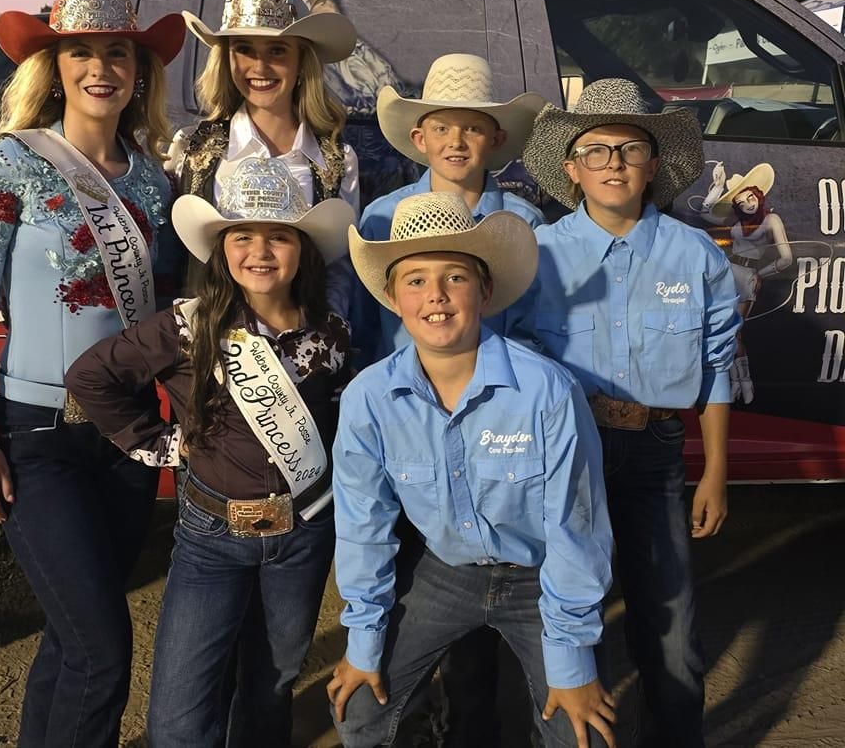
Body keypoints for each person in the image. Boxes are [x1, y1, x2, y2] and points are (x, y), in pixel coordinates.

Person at [0, 0, 185, 748]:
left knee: (69, 635)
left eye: (118, 52)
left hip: (124, 438)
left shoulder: (153, 182)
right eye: (81, 51)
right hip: (36, 435)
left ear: (137, 69)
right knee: (103, 650)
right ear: (54, 66)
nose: (101, 67)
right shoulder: (6, 163)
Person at [65, 156, 356, 748]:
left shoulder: (331, 331)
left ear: (302, 248)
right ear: (220, 249)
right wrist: (158, 444)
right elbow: (92, 377)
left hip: (302, 536)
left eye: (278, 236)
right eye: (241, 236)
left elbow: (342, 419)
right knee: (178, 712)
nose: (260, 250)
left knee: (270, 686)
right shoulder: (186, 326)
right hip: (211, 539)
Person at [327, 191, 615, 748]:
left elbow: (576, 528)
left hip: (540, 576)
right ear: (392, 297)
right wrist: (362, 642)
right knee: (360, 711)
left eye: (454, 277)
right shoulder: (368, 398)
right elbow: (363, 525)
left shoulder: (547, 391)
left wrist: (574, 657)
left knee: (580, 730)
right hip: (445, 571)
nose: (435, 296)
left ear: (484, 291)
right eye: (415, 280)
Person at [522, 79, 742, 747]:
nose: (613, 162)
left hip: (654, 454)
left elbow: (716, 366)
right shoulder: (539, 257)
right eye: (596, 150)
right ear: (571, 167)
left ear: (654, 165)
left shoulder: (696, 256)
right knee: (570, 628)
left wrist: (715, 472)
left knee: (670, 631)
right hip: (566, 460)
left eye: (629, 148)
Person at [168, 0, 360, 312]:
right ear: (226, 58)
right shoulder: (191, 149)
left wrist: (326, 332)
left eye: (277, 51)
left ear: (302, 61)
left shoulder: (337, 158)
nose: (259, 67)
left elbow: (339, 266)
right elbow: (174, 261)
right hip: (207, 349)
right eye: (244, 49)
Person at [352, 52, 545, 367]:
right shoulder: (382, 218)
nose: (456, 142)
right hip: (403, 397)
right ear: (420, 139)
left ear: (496, 139)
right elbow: (365, 324)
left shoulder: (524, 223)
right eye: (441, 128)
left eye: (473, 129)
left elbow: (531, 325)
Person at [700, 162, 792, 404]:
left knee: (736, 330)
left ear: (757, 194)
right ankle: (737, 383)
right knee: (722, 330)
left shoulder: (771, 219)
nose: (747, 203)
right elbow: (705, 213)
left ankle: (745, 382)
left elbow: (786, 258)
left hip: (748, 275)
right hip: (727, 272)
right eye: (741, 202)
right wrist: (718, 186)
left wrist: (760, 273)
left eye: (750, 197)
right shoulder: (735, 221)